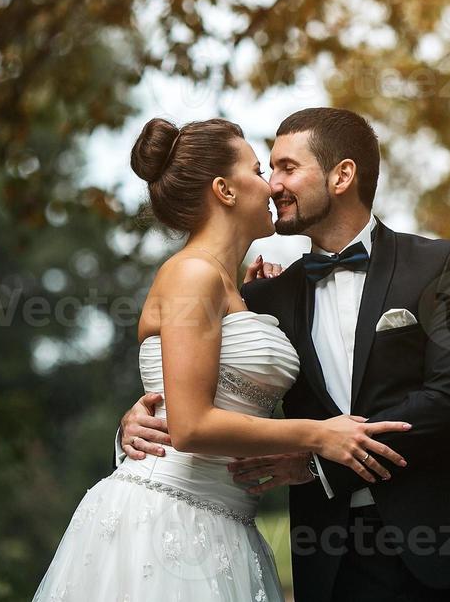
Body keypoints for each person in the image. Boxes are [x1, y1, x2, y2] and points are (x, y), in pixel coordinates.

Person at [119, 107, 450, 600]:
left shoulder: (440, 265)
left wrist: (317, 465)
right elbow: (199, 390)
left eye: (286, 168)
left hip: (445, 550)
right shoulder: (261, 301)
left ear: (342, 175)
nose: (273, 185)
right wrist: (137, 418)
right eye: (265, 170)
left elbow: (449, 403)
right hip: (329, 563)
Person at [35, 116, 410, 601]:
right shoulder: (192, 275)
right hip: (168, 519)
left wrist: (256, 301)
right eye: (258, 170)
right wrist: (319, 435)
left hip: (229, 526)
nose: (272, 185)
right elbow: (189, 426)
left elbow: (197, 385)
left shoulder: (241, 288)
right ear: (224, 190)